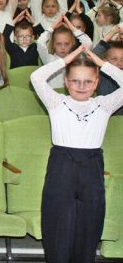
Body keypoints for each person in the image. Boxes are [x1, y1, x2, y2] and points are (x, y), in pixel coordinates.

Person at [30, 45, 123, 263]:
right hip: (61, 166)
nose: (82, 86)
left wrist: (102, 64)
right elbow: (36, 77)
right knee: (57, 227)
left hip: (92, 168)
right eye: (75, 81)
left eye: (88, 81)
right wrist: (66, 60)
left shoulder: (104, 104)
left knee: (89, 227)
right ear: (66, 81)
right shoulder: (56, 102)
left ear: (97, 82)